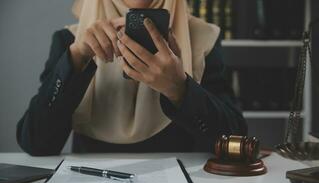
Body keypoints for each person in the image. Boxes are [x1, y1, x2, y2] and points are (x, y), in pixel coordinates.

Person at [16, 0, 247, 156]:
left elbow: (235, 142)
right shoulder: (71, 40)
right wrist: (77, 57)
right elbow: (36, 144)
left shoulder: (202, 38)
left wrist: (180, 88)